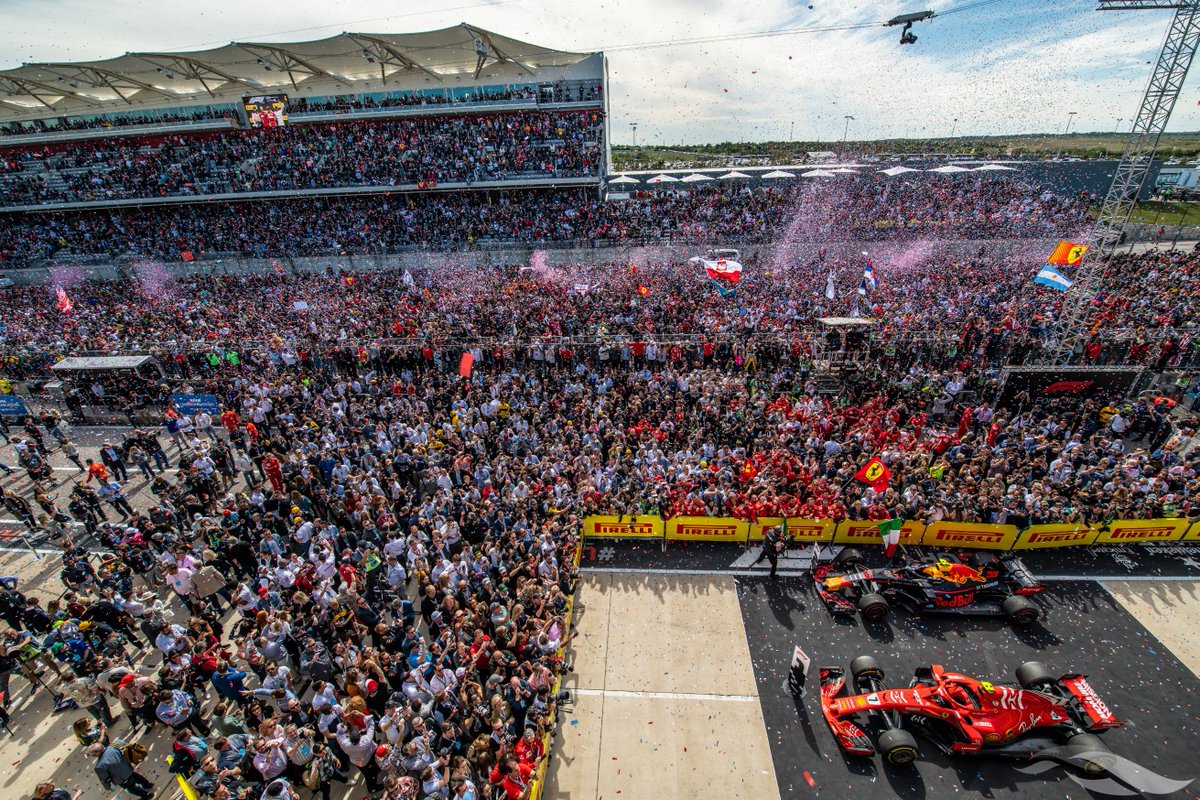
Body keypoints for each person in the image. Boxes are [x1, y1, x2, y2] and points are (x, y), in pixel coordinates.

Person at [88, 740, 154, 799]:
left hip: (122, 779)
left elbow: (105, 780)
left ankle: (147, 795)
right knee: (136, 777)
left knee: (131, 788)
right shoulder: (115, 744)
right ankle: (148, 785)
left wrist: (108, 788)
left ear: (95, 754)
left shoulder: (99, 767)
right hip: (129, 768)